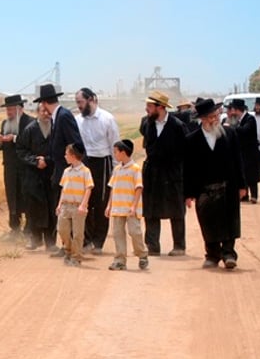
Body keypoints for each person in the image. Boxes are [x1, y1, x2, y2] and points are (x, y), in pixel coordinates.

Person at [184, 98, 247, 269]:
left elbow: (238, 160)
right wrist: (188, 194)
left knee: (229, 221)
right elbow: (188, 168)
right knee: (207, 222)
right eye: (211, 117)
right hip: (204, 190)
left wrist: (242, 185)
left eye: (216, 115)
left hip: (228, 186)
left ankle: (228, 254)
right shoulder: (192, 140)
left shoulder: (229, 135)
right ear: (202, 119)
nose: (215, 119)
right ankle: (212, 254)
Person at [32, 82, 83, 257]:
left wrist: (73, 170)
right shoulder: (58, 116)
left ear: (44, 103)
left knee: (67, 213)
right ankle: (66, 246)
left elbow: (75, 145)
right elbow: (58, 148)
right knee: (64, 213)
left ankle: (70, 249)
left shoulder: (63, 116)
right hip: (61, 171)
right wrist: (48, 159)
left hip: (68, 173)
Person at [140, 90, 187, 257]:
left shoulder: (177, 126)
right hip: (152, 172)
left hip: (172, 173)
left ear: (160, 107)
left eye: (150, 106)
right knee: (150, 210)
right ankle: (153, 247)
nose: (147, 109)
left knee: (177, 210)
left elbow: (184, 153)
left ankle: (179, 246)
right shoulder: (146, 123)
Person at [75, 87, 121, 255]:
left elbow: (115, 145)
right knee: (84, 202)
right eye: (77, 103)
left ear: (91, 99)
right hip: (85, 162)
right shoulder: (77, 120)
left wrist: (116, 171)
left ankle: (98, 242)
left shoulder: (107, 119)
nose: (79, 106)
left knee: (101, 203)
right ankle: (86, 241)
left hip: (103, 162)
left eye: (80, 102)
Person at [0, 94, 35, 240]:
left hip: (26, 167)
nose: (8, 113)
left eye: (11, 109)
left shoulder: (31, 123)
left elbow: (32, 143)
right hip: (10, 167)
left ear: (19, 108)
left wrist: (14, 139)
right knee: (12, 197)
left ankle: (29, 229)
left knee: (27, 197)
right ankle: (14, 229)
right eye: (7, 110)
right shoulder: (5, 123)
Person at [16, 107, 57, 250]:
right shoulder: (29, 129)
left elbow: (61, 150)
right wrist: (35, 161)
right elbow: (21, 150)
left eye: (48, 111)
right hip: (33, 175)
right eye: (42, 111)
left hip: (51, 173)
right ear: (37, 112)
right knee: (33, 208)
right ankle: (35, 239)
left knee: (52, 208)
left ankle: (51, 242)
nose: (46, 114)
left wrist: (47, 160)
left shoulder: (55, 128)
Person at [106, 139, 149, 271]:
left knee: (134, 232)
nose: (114, 154)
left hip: (131, 208)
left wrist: (134, 206)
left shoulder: (135, 169)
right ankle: (120, 260)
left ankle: (142, 255)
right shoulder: (117, 169)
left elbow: (138, 188)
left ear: (123, 152)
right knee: (118, 233)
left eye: (116, 152)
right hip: (117, 207)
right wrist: (109, 205)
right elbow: (113, 188)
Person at [57, 142, 93, 267]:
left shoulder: (85, 171)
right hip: (66, 206)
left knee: (78, 233)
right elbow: (63, 189)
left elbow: (88, 188)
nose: (65, 156)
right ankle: (68, 250)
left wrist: (83, 205)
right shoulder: (66, 171)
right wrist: (59, 204)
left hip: (78, 206)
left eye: (66, 154)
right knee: (62, 230)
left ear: (73, 155)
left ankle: (76, 257)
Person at [227, 98, 260, 203]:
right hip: (242, 152)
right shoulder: (238, 120)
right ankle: (245, 195)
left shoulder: (249, 119)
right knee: (244, 174)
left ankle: (254, 196)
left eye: (233, 109)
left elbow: (245, 131)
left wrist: (232, 127)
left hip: (250, 152)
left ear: (238, 110)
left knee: (252, 175)